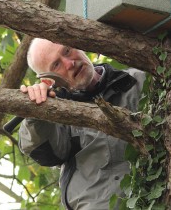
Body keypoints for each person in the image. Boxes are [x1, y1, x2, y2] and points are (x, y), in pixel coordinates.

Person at [19, 38, 145, 209]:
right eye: (56, 65)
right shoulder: (57, 119)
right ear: (47, 81)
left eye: (67, 50)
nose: (70, 63)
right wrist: (36, 110)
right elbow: (45, 153)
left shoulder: (138, 80)